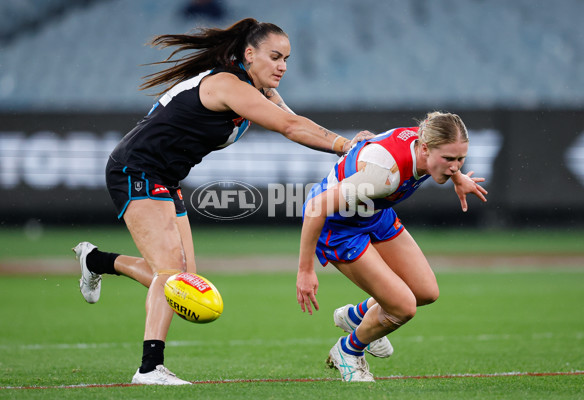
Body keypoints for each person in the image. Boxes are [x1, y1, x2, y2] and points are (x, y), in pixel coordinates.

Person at [72, 18, 373, 386]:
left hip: (165, 177)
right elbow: (292, 128)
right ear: (249, 54)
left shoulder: (258, 91)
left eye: (287, 59)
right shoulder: (229, 84)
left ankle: (96, 260)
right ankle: (149, 369)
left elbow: (293, 120)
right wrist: (346, 146)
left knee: (186, 285)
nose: (282, 66)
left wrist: (345, 145)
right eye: (275, 57)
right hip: (136, 168)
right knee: (173, 275)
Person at [295, 111, 488, 382]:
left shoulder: (428, 139)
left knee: (426, 291)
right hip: (338, 226)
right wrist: (305, 270)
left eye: (460, 159)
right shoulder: (384, 175)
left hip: (374, 213)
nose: (455, 166)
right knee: (402, 307)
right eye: (449, 160)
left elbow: (441, 156)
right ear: (424, 149)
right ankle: (348, 350)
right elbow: (317, 207)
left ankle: (356, 315)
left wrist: (458, 178)